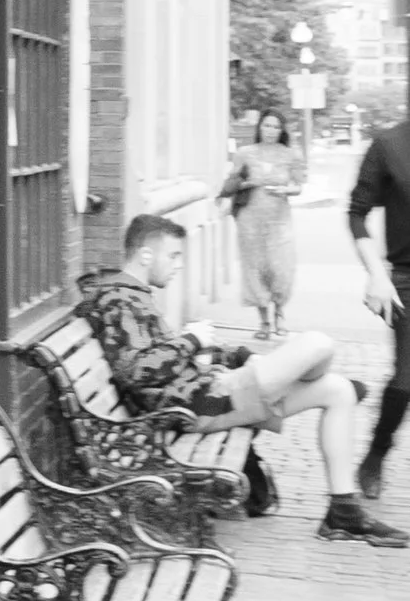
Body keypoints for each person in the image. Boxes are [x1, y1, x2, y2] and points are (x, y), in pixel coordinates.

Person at [77, 213, 404, 546]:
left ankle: (343, 513)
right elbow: (137, 371)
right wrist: (191, 340)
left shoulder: (134, 296)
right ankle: (301, 374)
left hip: (209, 393)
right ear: (146, 255)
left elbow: (161, 360)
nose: (178, 265)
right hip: (197, 406)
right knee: (319, 343)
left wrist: (235, 356)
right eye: (173, 256)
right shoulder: (119, 300)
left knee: (339, 392)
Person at [347, 108, 410, 502]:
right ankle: (375, 455)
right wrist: (376, 274)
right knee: (406, 380)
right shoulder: (389, 145)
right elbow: (357, 213)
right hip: (405, 277)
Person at [221, 108, 302, 339]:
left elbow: (298, 186)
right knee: (255, 269)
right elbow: (231, 183)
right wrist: (250, 183)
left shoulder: (291, 154)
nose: (271, 131)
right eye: (267, 125)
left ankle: (280, 313)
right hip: (250, 220)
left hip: (280, 220)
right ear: (259, 127)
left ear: (282, 130)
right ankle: (264, 321)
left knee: (281, 269)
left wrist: (286, 189)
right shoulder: (245, 153)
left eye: (276, 127)